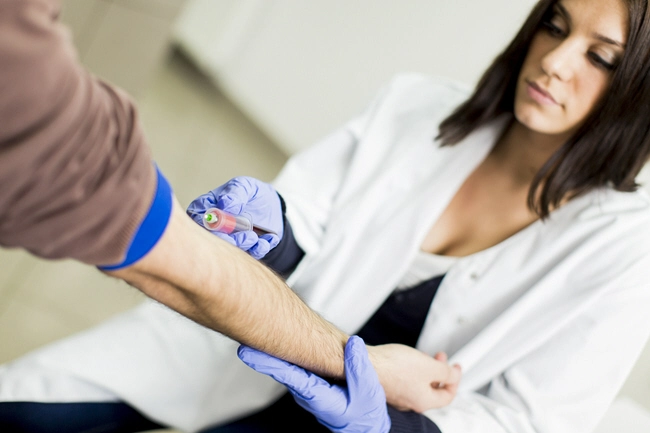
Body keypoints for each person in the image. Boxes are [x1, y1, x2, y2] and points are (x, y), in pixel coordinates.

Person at [3, 0, 650, 431]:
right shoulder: (416, 108)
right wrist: (270, 230)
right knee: (24, 409)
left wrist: (386, 422)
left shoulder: (624, 250)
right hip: (241, 356)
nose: (556, 62)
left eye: (602, 58)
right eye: (556, 26)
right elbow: (305, 224)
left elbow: (526, 420)